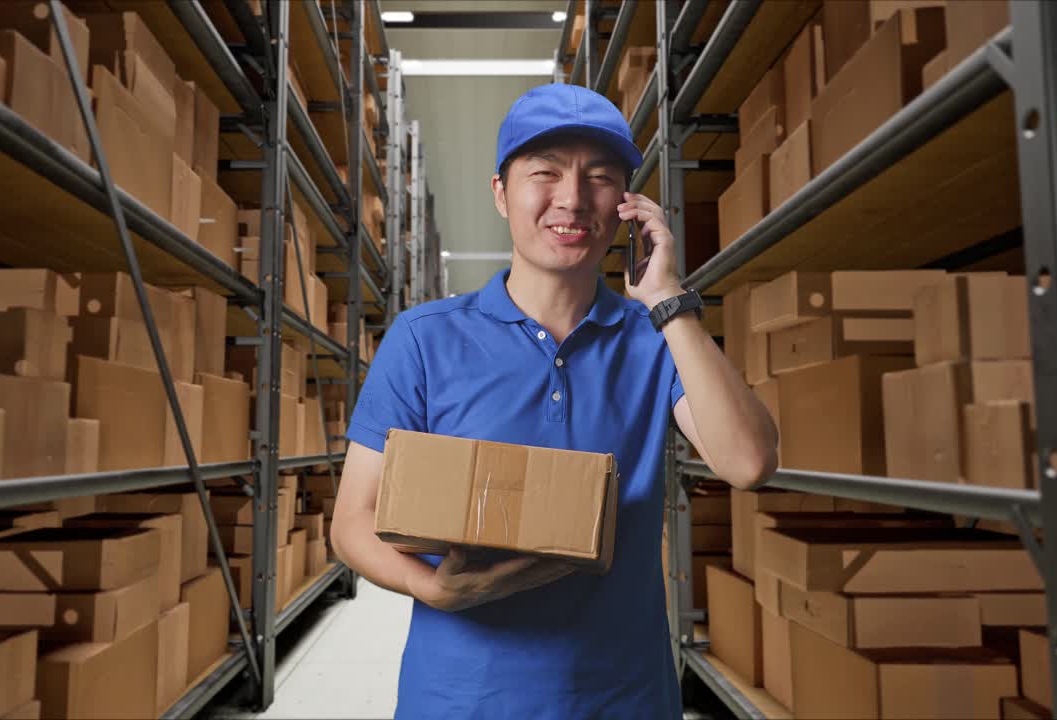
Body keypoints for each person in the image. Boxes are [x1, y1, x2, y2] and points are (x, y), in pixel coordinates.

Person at [329, 83, 778, 719]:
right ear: (500, 193)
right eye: (545, 173)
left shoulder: (656, 344)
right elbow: (352, 521)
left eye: (599, 177)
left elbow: (749, 462)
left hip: (622, 698)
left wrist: (669, 304)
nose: (571, 198)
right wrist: (427, 586)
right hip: (461, 700)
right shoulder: (424, 340)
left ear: (626, 202)